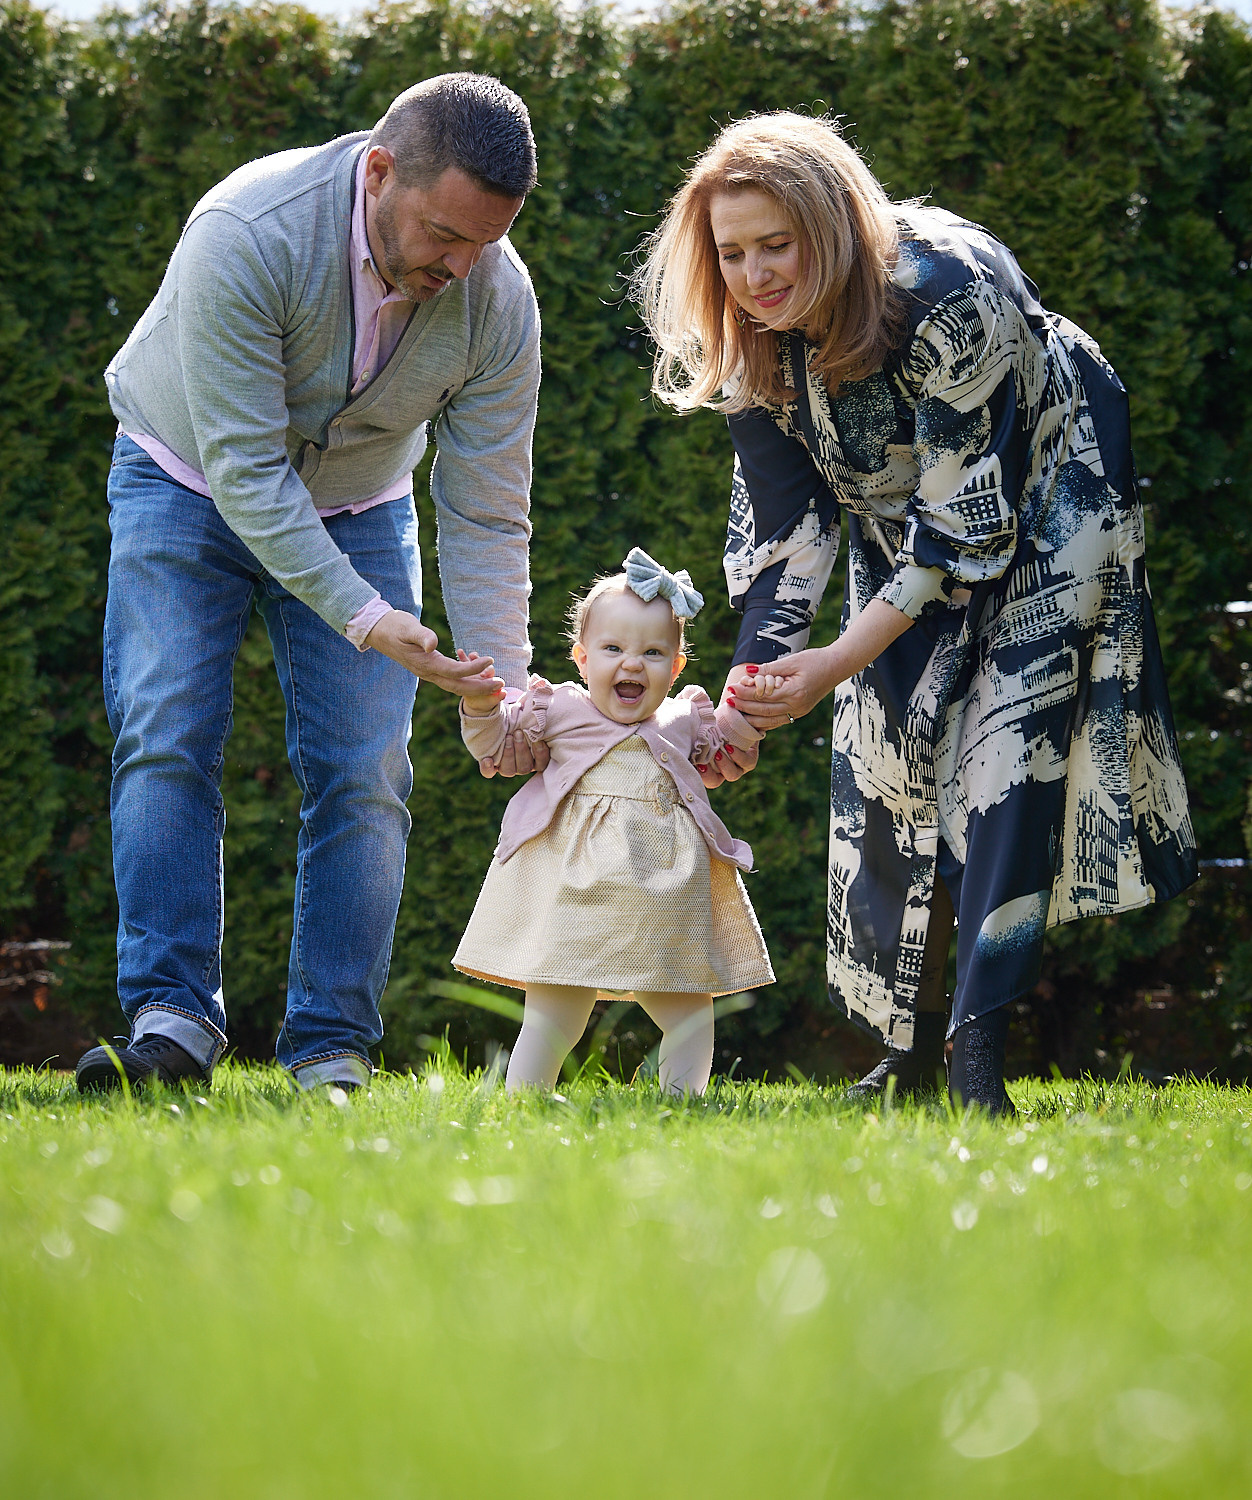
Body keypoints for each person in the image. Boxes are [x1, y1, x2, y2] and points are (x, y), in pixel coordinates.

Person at [634, 113, 1197, 1114]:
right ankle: (908, 1055)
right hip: (906, 521)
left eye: (777, 243)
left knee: (1001, 765)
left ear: (832, 226)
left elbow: (965, 528)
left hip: (1044, 505)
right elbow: (786, 528)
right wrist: (750, 695)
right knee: (891, 765)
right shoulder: (744, 334)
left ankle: (980, 1065)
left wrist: (836, 659)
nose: (755, 273)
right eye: (732, 252)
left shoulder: (945, 298)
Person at [75, 73, 548, 1096]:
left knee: (366, 771)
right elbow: (244, 472)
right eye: (442, 235)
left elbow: (484, 510)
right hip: (185, 478)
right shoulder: (245, 230)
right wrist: (370, 619)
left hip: (360, 505)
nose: (460, 265)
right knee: (165, 732)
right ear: (379, 172)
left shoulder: (497, 298)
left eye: (485, 242)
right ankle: (171, 1024)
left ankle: (329, 1048)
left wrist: (497, 690)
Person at [452, 549, 775, 1095]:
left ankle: (682, 1101)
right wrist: (481, 708)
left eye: (653, 652)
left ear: (676, 668)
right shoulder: (557, 709)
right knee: (556, 1010)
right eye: (612, 649)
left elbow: (722, 755)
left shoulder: (682, 718)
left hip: (663, 895)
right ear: (581, 658)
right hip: (573, 890)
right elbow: (499, 746)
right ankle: (526, 1099)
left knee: (689, 1009)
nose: (632, 664)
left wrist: (747, 713)